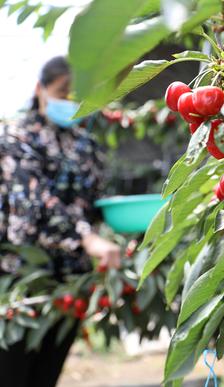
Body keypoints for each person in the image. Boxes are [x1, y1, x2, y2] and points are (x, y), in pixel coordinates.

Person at [0, 56, 121, 386]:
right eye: (64, 91)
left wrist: (117, 233)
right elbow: (34, 203)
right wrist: (87, 239)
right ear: (40, 89)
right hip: (21, 286)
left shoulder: (87, 146)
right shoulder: (13, 139)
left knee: (45, 376)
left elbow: (94, 207)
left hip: (71, 286)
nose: (71, 102)